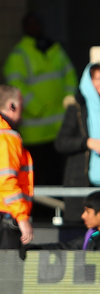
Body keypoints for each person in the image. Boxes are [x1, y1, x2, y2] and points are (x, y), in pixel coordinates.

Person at [3, 12, 77, 186]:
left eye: (38, 23)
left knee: (57, 174)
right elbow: (16, 85)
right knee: (35, 176)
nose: (35, 27)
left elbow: (70, 74)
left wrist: (67, 100)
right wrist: (38, 107)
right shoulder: (19, 55)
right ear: (24, 28)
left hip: (58, 126)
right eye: (31, 24)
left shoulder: (55, 49)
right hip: (34, 131)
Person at [54, 63, 100, 225]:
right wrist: (87, 142)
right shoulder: (77, 107)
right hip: (82, 180)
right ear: (88, 82)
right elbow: (61, 143)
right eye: (97, 78)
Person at [20, 191, 100, 258]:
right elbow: (66, 247)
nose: (83, 216)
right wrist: (37, 249)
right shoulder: (93, 234)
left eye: (87, 212)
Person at [0, 85, 33, 249]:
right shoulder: (7, 136)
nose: (23, 108)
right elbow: (6, 180)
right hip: (6, 216)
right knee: (8, 273)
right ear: (12, 106)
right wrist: (22, 218)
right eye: (21, 104)